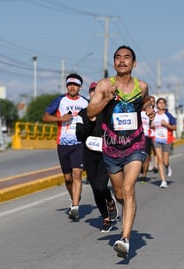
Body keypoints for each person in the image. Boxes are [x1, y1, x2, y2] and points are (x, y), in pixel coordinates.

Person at [87, 45, 154, 258]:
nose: (122, 61)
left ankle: (124, 239)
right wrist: (107, 98)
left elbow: (145, 101)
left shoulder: (141, 86)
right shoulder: (104, 85)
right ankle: (126, 209)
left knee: (128, 188)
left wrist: (149, 108)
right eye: (118, 58)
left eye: (126, 58)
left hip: (135, 144)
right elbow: (90, 111)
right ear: (113, 62)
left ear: (134, 63)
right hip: (111, 147)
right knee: (119, 193)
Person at [42, 73, 89, 221]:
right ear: (67, 86)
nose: (72, 87)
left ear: (80, 87)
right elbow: (45, 117)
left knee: (77, 174)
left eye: (75, 85)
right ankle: (74, 196)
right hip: (63, 144)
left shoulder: (86, 102)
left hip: (79, 143)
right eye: (70, 84)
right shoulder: (60, 100)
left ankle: (75, 207)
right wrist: (60, 118)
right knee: (68, 178)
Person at [75, 81, 118, 232]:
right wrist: (89, 122)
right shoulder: (83, 113)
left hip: (107, 153)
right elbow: (79, 135)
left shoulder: (109, 111)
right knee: (94, 187)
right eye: (92, 91)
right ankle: (106, 218)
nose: (94, 93)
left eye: (97, 91)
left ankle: (109, 200)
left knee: (101, 186)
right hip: (89, 154)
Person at [151, 97, 176, 188]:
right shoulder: (154, 115)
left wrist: (166, 124)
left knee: (165, 160)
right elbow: (151, 125)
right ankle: (163, 181)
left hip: (166, 139)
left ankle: (167, 166)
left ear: (165, 105)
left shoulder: (168, 115)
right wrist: (151, 125)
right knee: (159, 159)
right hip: (156, 139)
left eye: (163, 103)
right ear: (157, 105)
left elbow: (174, 127)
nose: (161, 104)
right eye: (159, 103)